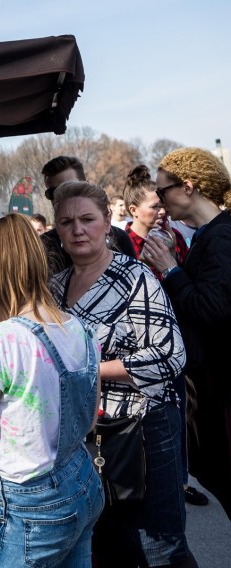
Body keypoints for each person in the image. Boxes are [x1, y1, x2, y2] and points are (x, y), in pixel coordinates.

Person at [49, 181, 197, 567]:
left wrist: (91, 371)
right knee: (111, 543)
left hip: (145, 431)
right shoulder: (54, 289)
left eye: (87, 219)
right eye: (67, 222)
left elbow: (170, 355)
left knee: (158, 545)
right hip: (88, 437)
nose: (77, 229)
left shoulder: (136, 279)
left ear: (106, 222)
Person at [0, 213, 103, 567]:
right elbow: (90, 414)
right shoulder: (79, 328)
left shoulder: (0, 340)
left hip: (33, 507)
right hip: (81, 478)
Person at [142, 147, 231, 520]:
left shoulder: (222, 236)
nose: (160, 204)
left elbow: (213, 309)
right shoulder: (208, 234)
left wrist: (171, 269)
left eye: (162, 193)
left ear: (188, 187)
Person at [39, 156, 136, 274]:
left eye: (70, 187)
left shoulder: (119, 238)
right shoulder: (43, 247)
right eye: (52, 192)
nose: (62, 195)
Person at [123, 165, 189, 279]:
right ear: (133, 210)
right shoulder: (122, 244)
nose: (162, 211)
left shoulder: (175, 237)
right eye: (154, 207)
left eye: (163, 205)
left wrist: (173, 254)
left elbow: (190, 277)